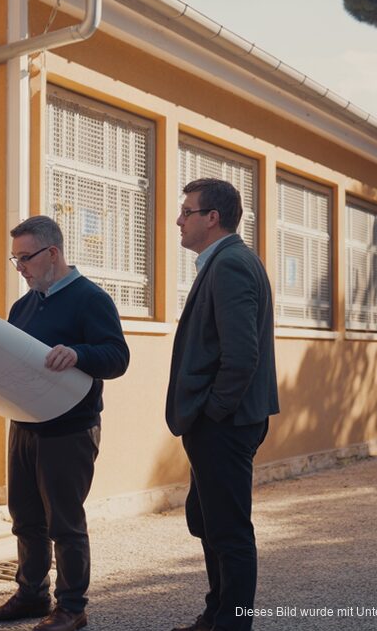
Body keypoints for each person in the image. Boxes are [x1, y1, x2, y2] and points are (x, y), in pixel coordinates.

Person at [0, 215, 130, 631]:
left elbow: (117, 357)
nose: (20, 268)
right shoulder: (23, 306)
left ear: (53, 253)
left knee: (64, 521)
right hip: (25, 426)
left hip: (70, 430)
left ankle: (71, 607)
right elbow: (9, 363)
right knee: (25, 517)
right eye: (16, 260)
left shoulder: (91, 299)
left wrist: (79, 353)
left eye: (25, 258)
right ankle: (32, 595)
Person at [166, 178, 279, 631]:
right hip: (220, 421)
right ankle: (217, 614)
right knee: (208, 520)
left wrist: (213, 412)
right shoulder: (223, 262)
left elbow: (242, 355)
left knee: (229, 531)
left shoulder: (230, 264)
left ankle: (233, 624)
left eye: (186, 211)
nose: (179, 219)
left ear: (211, 218)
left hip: (225, 423)